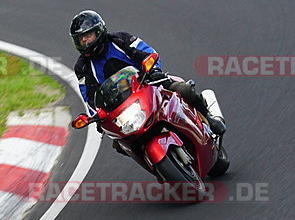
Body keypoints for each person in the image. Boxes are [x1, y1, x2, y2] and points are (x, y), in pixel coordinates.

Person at [70, 10, 226, 138]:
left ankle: (209, 119)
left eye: (88, 36)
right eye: (80, 40)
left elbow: (148, 52)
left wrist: (154, 70)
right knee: (119, 143)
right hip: (120, 104)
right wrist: (96, 116)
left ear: (99, 31)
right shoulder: (82, 67)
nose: (85, 42)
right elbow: (88, 95)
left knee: (184, 89)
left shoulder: (120, 39)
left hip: (148, 83)